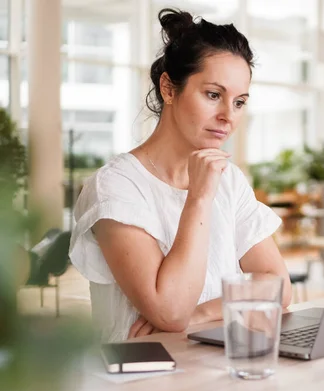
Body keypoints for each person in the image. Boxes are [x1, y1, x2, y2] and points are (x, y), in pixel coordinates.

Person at [69, 8, 292, 343]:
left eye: (239, 102)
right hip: (142, 379)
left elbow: (278, 286)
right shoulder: (115, 186)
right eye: (213, 95)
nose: (227, 117)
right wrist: (199, 197)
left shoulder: (228, 179)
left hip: (216, 367)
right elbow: (170, 310)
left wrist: (200, 314)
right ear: (169, 89)